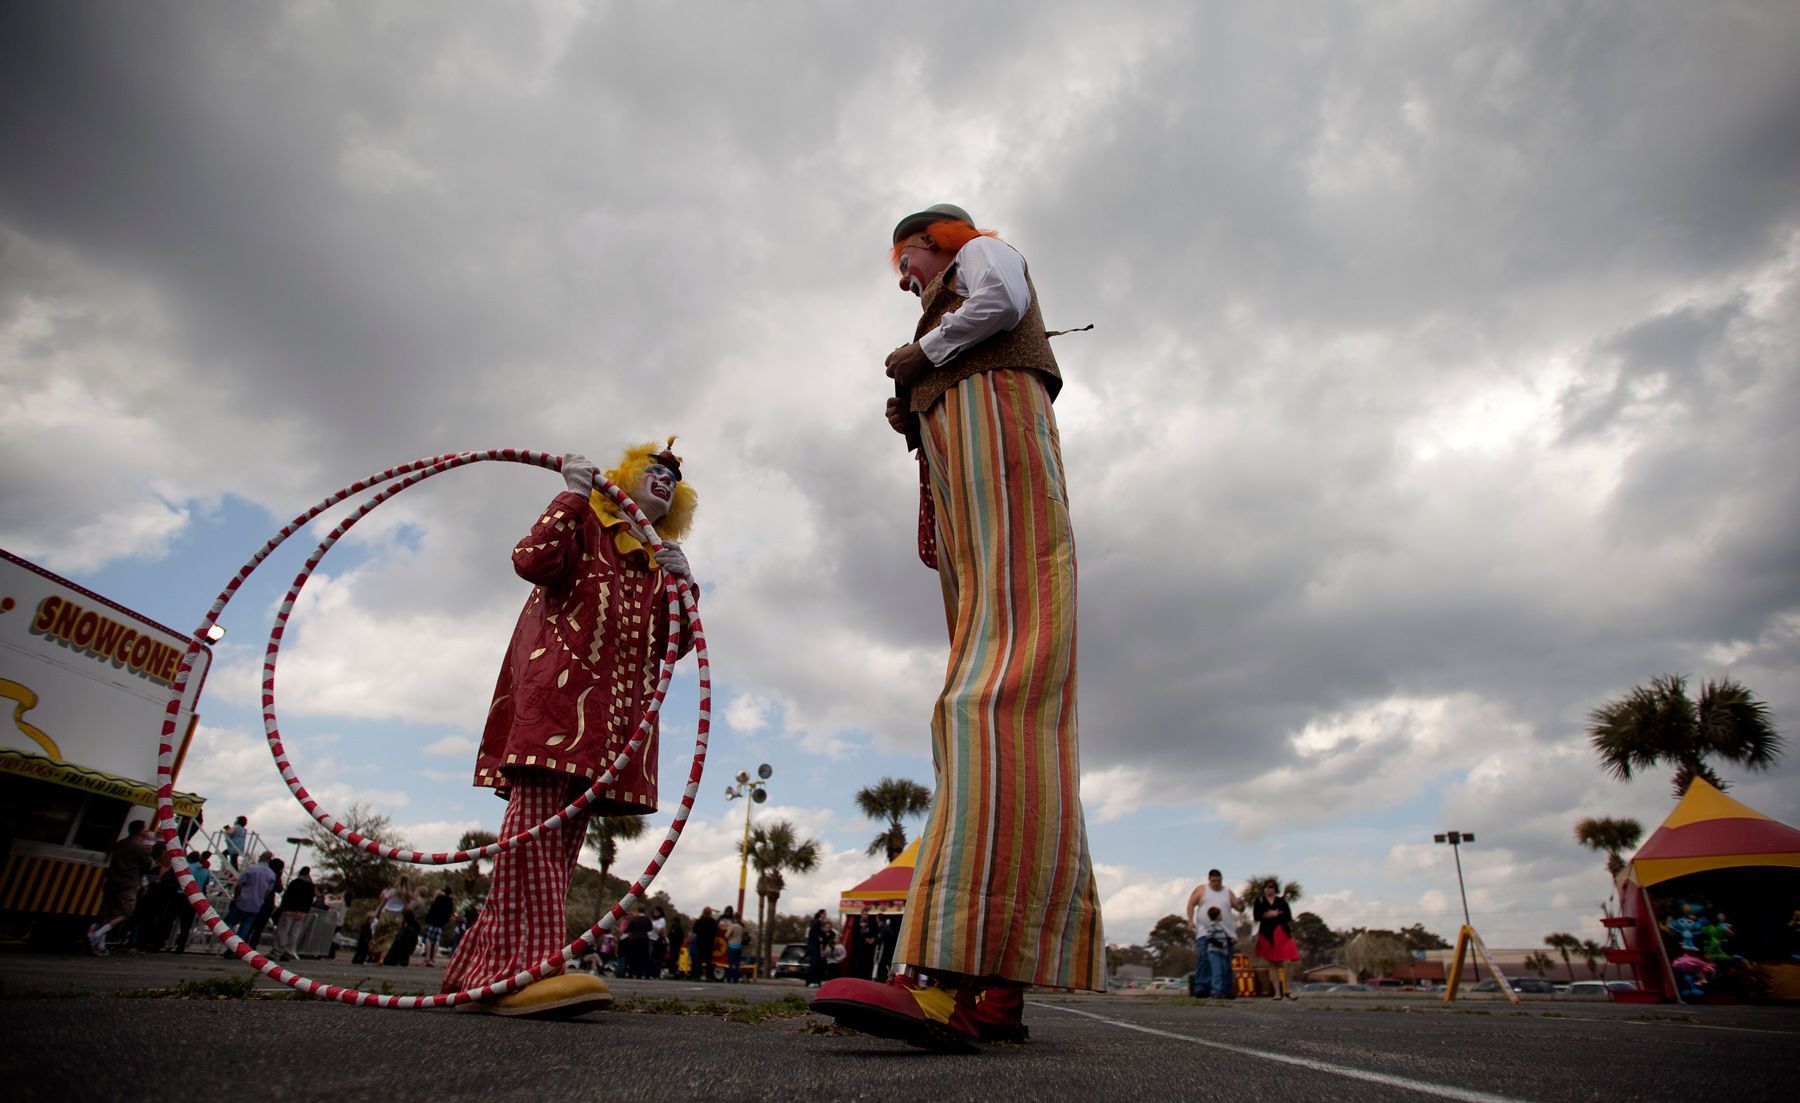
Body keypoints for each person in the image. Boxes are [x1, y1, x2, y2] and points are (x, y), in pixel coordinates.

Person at [812, 204, 1103, 1051]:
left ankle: (948, 972)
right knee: (996, 674)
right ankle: (996, 985)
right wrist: (918, 407)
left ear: (935, 240)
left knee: (995, 683)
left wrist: (924, 356)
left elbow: (1000, 304)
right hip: (968, 464)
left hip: (999, 442)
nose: (903, 279)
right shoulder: (940, 304)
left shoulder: (983, 255)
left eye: (906, 261)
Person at [440, 442, 697, 1019]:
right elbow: (531, 561)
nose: (664, 478)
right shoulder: (585, 524)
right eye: (653, 469)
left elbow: (674, 645)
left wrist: (685, 584)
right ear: (626, 479)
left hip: (611, 728)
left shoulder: (657, 561)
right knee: (532, 834)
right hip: (552, 703)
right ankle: (517, 973)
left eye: (672, 478)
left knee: (557, 843)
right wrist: (572, 496)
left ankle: (476, 974)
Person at [88, 822, 154, 955]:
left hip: (112, 881)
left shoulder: (120, 843)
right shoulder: (140, 847)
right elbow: (148, 865)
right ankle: (97, 934)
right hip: (128, 883)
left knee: (108, 913)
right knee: (125, 913)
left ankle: (100, 945)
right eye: (144, 829)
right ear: (140, 831)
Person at [1185, 869, 1246, 997]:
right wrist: (1190, 920)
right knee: (1205, 959)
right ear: (1209, 880)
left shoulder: (1227, 892)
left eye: (1218, 880)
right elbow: (1191, 904)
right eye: (1213, 881)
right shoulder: (1202, 889)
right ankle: (1202, 987)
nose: (1216, 883)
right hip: (1205, 932)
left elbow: (1239, 908)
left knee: (1225, 962)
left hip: (1226, 933)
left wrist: (1241, 905)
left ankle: (1224, 989)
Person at [1252, 880, 1300, 1000]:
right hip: (1267, 934)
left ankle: (1288, 990)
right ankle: (1277, 993)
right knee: (1272, 963)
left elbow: (1288, 916)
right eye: (1266, 887)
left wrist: (1277, 914)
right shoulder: (1260, 901)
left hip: (1283, 933)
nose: (1268, 889)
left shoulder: (1281, 901)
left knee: (1287, 961)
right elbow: (1257, 916)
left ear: (1275, 889)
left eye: (1271, 887)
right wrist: (1268, 913)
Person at [222, 855, 282, 952]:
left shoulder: (251, 868)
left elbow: (240, 884)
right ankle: (237, 949)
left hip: (243, 901)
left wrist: (236, 897)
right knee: (246, 928)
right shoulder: (271, 874)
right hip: (257, 904)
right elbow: (269, 891)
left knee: (228, 923)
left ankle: (229, 942)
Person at [273, 866, 315, 962]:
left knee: (283, 931)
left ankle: (278, 951)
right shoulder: (311, 885)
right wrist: (305, 911)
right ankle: (288, 952)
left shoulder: (296, 882)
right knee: (294, 934)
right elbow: (310, 900)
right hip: (301, 912)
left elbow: (287, 896)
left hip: (289, 909)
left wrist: (283, 908)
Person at [1199, 907, 1237, 999]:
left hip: (1223, 953)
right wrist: (1219, 944)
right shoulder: (1211, 926)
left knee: (1224, 971)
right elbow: (1209, 938)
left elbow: (1224, 937)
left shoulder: (1221, 926)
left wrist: (1231, 941)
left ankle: (1223, 991)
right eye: (1220, 914)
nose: (1221, 916)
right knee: (1217, 972)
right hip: (1214, 952)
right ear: (1216, 916)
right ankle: (1215, 991)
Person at [423, 887, 454, 966]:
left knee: (428, 939)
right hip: (441, 924)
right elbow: (449, 914)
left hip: (432, 921)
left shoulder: (439, 899)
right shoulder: (450, 902)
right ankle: (433, 959)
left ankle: (427, 958)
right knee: (436, 941)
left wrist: (427, 919)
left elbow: (432, 909)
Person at [690, 906, 719, 981]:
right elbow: (716, 931)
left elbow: (694, 930)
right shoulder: (713, 921)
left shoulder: (699, 921)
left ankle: (697, 976)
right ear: (710, 913)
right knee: (708, 960)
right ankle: (709, 976)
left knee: (699, 960)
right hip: (709, 942)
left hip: (700, 942)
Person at [805, 909, 828, 988]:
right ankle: (810, 981)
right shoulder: (816, 922)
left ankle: (816, 981)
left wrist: (825, 937)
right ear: (821, 914)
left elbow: (823, 934)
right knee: (814, 963)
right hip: (813, 945)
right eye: (825, 914)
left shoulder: (821, 924)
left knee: (818, 964)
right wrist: (818, 938)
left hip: (817, 946)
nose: (826, 915)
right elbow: (812, 933)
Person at [722, 907, 745, 983]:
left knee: (731, 963)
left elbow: (727, 936)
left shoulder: (732, 926)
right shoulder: (741, 926)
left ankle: (729, 978)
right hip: (739, 946)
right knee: (737, 963)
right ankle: (736, 978)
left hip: (731, 946)